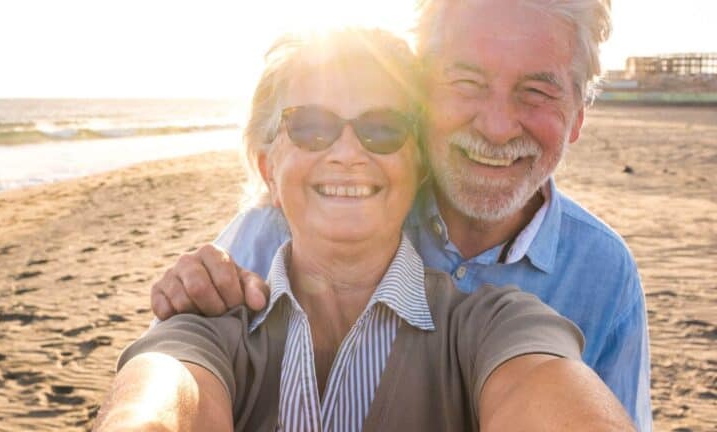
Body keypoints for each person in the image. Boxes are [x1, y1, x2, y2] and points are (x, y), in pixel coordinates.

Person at [95, 28, 633, 432]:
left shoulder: (494, 322)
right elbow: (161, 402)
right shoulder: (211, 322)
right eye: (311, 126)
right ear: (268, 168)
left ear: (418, 165)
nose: (348, 152)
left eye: (383, 128)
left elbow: (542, 384)